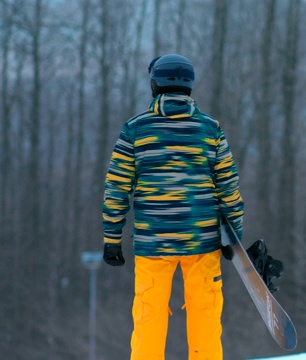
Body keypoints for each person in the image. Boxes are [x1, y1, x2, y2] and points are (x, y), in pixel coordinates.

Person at [101, 54, 244, 360]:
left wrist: (112, 239)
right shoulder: (210, 130)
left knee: (148, 318)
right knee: (205, 317)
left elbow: (116, 188)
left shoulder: (135, 129)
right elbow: (229, 188)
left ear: (154, 85)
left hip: (153, 244)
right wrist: (236, 237)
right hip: (203, 241)